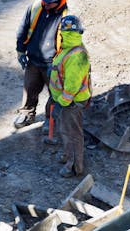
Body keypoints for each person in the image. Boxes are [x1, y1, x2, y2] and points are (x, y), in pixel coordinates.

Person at [14, 0, 68, 129]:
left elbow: (69, 45)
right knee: (29, 88)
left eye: (49, 3)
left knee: (55, 95)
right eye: (44, 0)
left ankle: (50, 120)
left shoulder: (66, 18)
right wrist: (20, 51)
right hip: (33, 60)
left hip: (52, 63)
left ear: (57, 1)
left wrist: (61, 65)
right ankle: (27, 113)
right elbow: (23, 29)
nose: (45, 4)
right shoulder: (36, 7)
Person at [49, 15, 91, 178]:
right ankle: (68, 156)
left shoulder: (76, 55)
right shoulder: (70, 47)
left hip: (71, 103)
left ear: (64, 32)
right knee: (66, 131)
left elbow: (72, 86)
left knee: (72, 134)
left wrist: (62, 103)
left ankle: (74, 167)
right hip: (66, 101)